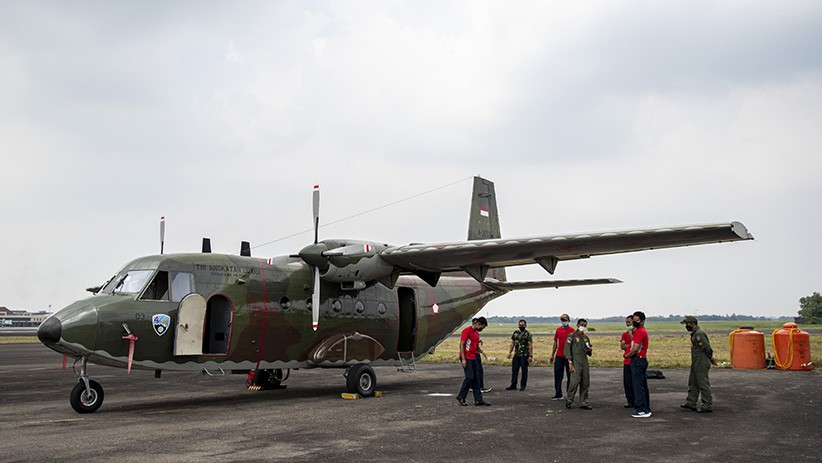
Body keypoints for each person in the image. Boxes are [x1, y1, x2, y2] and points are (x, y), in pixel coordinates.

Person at [680, 316, 717, 413]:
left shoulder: (699, 334)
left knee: (702, 383)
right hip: (696, 360)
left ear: (692, 324)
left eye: (687, 324)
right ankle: (691, 402)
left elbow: (707, 348)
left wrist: (710, 357)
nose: (686, 326)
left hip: (701, 361)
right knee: (693, 382)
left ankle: (707, 404)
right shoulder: (695, 333)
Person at [456, 317, 491, 406]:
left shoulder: (476, 334)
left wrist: (482, 352)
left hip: (473, 357)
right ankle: (461, 396)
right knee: (469, 377)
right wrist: (463, 359)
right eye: (482, 327)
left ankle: (478, 400)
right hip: (466, 357)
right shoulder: (467, 330)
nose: (482, 329)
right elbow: (462, 345)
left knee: (476, 378)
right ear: (478, 324)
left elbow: (475, 346)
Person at [624, 311, 651, 418]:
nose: (634, 322)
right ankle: (645, 407)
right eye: (633, 320)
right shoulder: (639, 331)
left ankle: (642, 409)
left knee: (638, 386)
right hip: (640, 359)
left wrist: (627, 355)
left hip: (637, 359)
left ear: (642, 321)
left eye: (637, 320)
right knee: (642, 385)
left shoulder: (640, 332)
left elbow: (635, 348)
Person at [564, 318, 593, 410]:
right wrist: (570, 363)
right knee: (574, 381)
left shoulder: (585, 338)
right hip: (575, 361)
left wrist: (589, 350)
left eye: (584, 325)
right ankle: (569, 400)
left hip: (584, 361)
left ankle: (584, 402)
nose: (583, 327)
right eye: (581, 325)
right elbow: (567, 350)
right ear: (577, 325)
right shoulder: (571, 336)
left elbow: (588, 351)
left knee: (585, 382)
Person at [549, 313, 575, 400]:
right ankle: (558, 393)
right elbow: (555, 342)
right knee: (558, 375)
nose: (564, 322)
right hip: (559, 355)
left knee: (570, 376)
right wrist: (552, 355)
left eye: (565, 320)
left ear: (568, 321)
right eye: (562, 320)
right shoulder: (558, 330)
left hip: (569, 356)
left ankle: (569, 394)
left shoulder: (572, 331)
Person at [506, 319, 533, 391]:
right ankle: (513, 385)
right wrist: (510, 352)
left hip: (524, 355)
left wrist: (530, 356)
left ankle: (523, 385)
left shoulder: (528, 334)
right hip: (517, 354)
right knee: (514, 370)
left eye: (522, 325)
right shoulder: (515, 333)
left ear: (525, 325)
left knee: (524, 371)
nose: (521, 326)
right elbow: (512, 343)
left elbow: (530, 345)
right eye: (520, 325)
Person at [620, 314, 635, 409]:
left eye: (629, 322)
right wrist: (631, 347)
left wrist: (629, 345)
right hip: (627, 362)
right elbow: (622, 346)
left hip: (634, 361)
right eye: (626, 322)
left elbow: (636, 347)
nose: (627, 324)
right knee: (627, 383)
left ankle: (637, 400)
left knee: (636, 383)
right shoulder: (624, 334)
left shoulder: (637, 333)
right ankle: (630, 401)